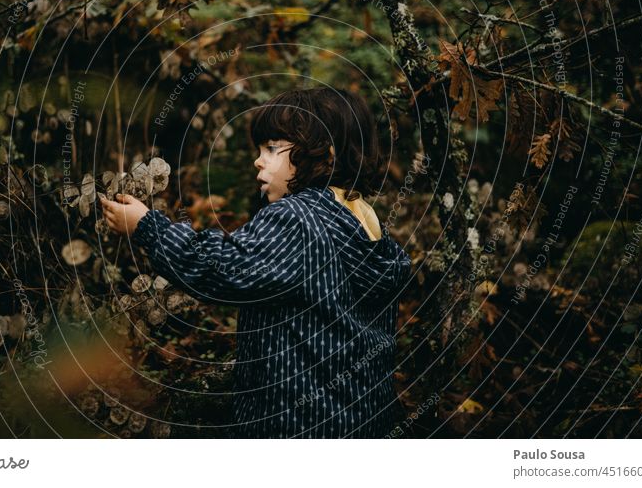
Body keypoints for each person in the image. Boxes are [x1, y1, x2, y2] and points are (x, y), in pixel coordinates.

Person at [101, 86, 411, 438]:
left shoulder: (298, 219)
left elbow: (219, 269)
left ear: (324, 154)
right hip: (361, 419)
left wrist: (147, 226)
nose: (258, 160)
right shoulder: (362, 217)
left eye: (272, 148)